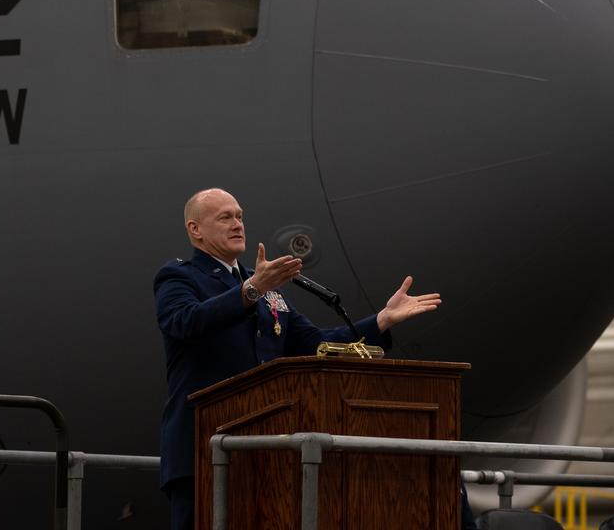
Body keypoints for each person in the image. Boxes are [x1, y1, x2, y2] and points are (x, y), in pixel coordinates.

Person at [153, 188, 443, 530]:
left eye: (240, 216)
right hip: (202, 448)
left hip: (264, 452)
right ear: (195, 229)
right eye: (225, 217)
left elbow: (316, 344)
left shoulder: (263, 286)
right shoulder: (181, 277)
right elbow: (185, 322)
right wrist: (251, 290)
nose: (237, 224)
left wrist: (381, 321)